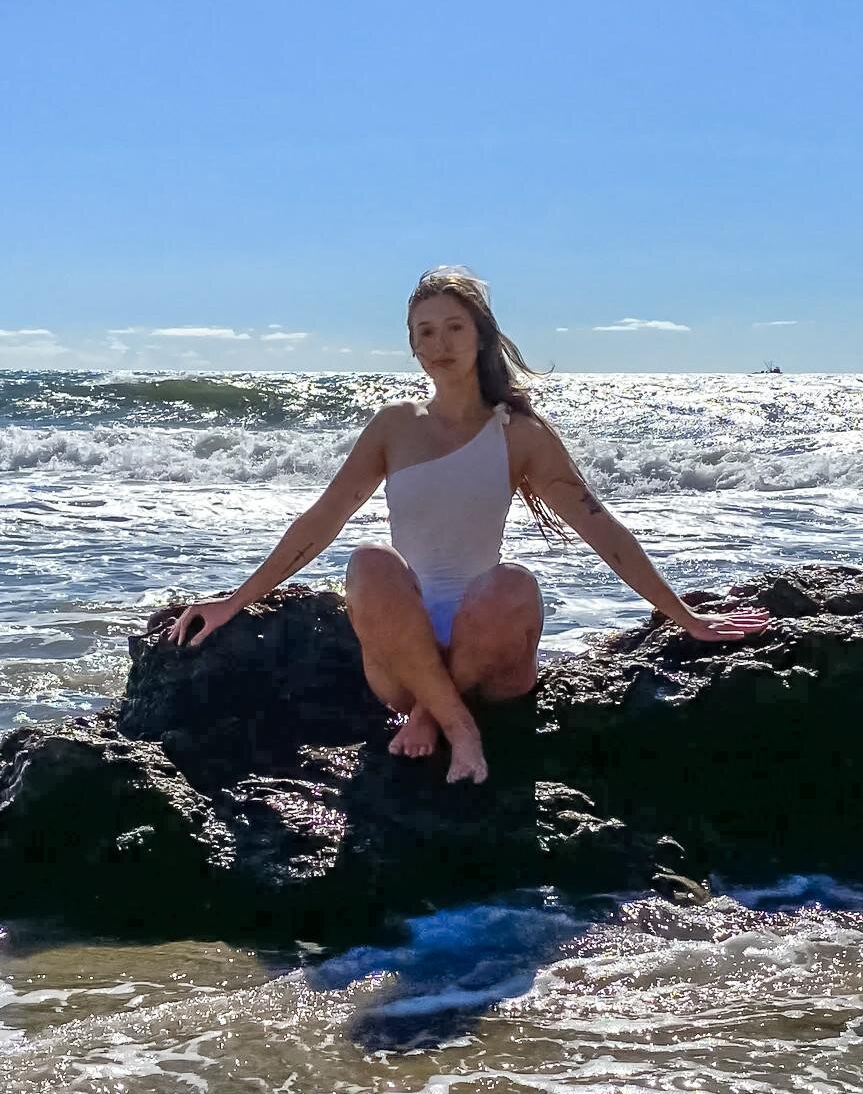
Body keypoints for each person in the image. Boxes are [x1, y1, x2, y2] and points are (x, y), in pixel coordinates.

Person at [167, 265, 772, 785]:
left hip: (493, 652)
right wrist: (235, 601)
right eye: (425, 331)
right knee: (369, 561)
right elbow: (322, 519)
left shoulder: (520, 434)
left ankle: (434, 716)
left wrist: (685, 617)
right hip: (402, 660)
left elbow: (602, 529)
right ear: (412, 345)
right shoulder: (394, 426)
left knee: (514, 583)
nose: (440, 343)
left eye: (454, 327)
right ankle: (457, 724)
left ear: (481, 334)